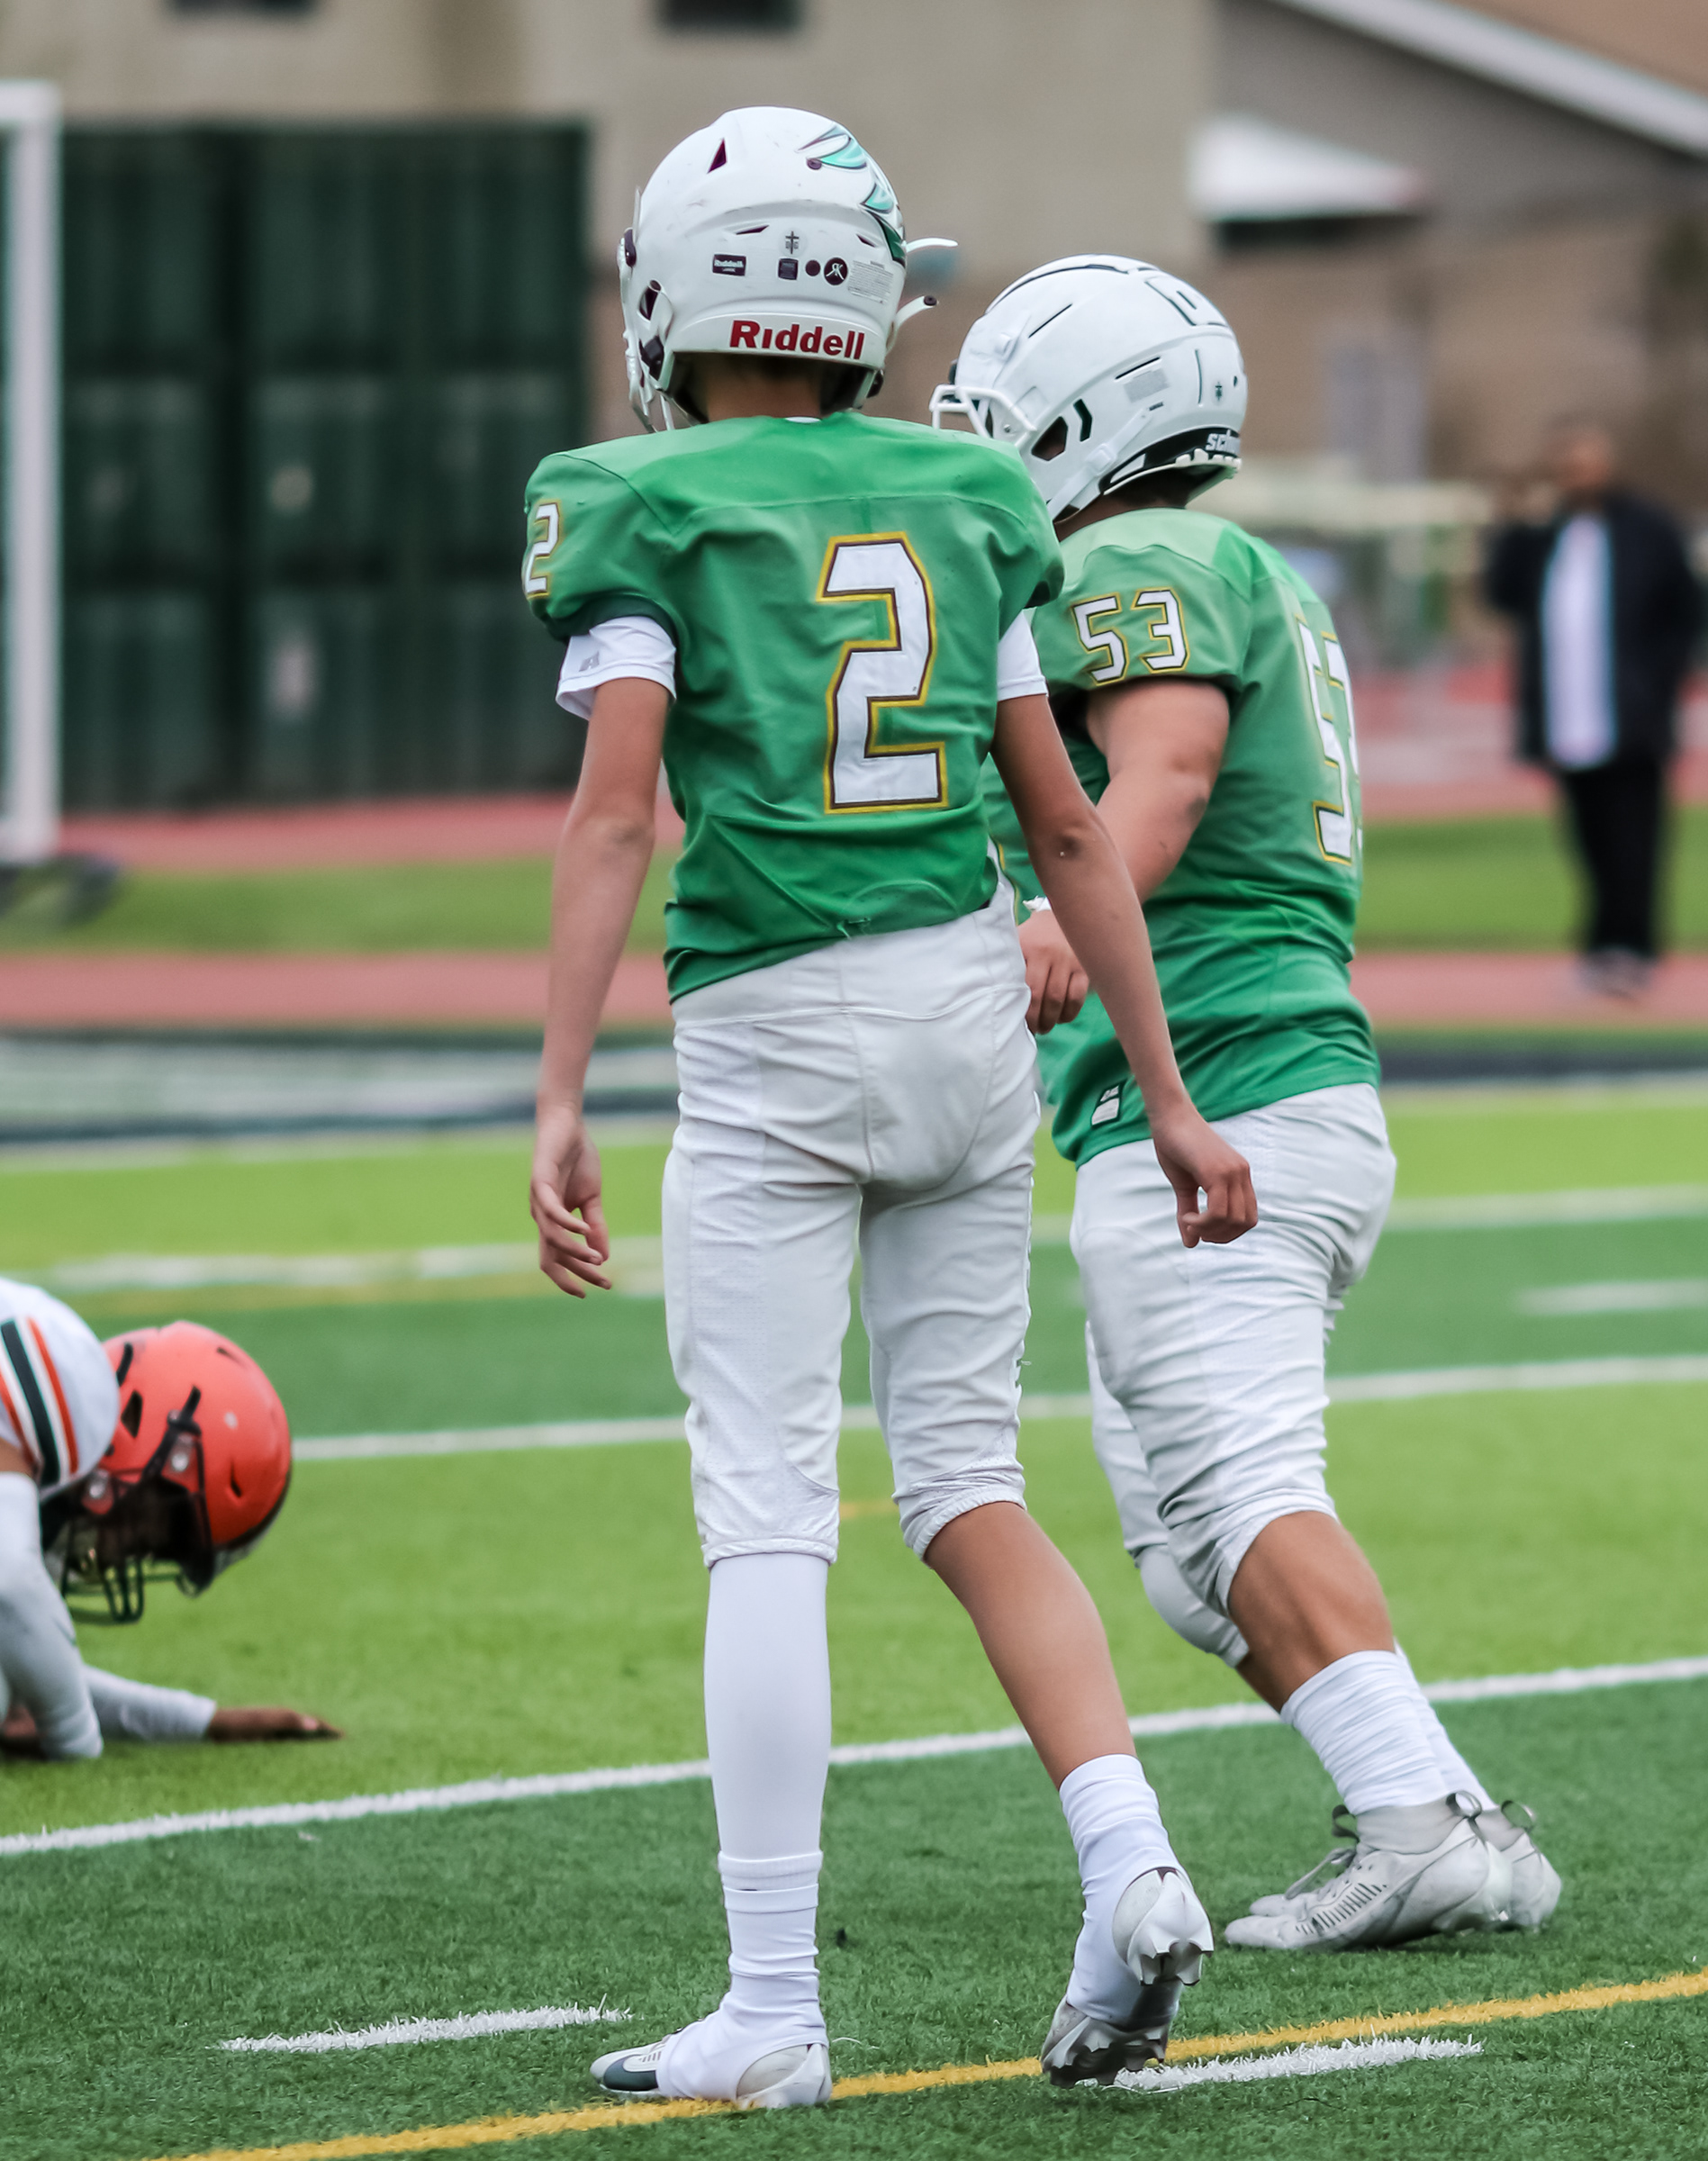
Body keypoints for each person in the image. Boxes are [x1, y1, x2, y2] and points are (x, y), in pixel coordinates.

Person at [523, 112, 1256, 2107]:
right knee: (966, 1482)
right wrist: (1168, 1098)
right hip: (963, 1011)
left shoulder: (635, 501)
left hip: (772, 1020)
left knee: (767, 1514)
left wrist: (563, 1090)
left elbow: (614, 818)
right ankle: (1132, 1859)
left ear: (683, 296)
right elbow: (1069, 829)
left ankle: (774, 2002)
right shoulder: (969, 494)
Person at [942, 256, 1560, 1953]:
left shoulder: (1138, 556)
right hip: (1260, 1095)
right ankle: (1452, 1817)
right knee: (1182, 1548)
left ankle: (1413, 1826)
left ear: (1080, 419)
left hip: (1225, 1094)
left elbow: (1166, 772)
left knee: (1237, 1489)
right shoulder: (1226, 566)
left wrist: (1065, 924)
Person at [0, 1282, 338, 1759]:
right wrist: (75, 1740)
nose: (122, 1554)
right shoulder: (60, 1372)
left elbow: (26, 1669)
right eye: (159, 1521)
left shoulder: (41, 1499)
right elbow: (12, 1583)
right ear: (148, 1428)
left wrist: (197, 1722)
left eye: (155, 1550)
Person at [1485, 420, 1703, 997]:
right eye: (1567, 466)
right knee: (1588, 837)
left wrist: (1659, 683)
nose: (1577, 475)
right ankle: (1601, 946)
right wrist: (1512, 520)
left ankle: (1632, 949)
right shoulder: (1544, 536)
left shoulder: (1650, 529)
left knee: (1636, 836)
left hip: (1632, 714)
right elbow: (1501, 593)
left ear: (1607, 464)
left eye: (1586, 463)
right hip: (1566, 714)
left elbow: (1686, 612)